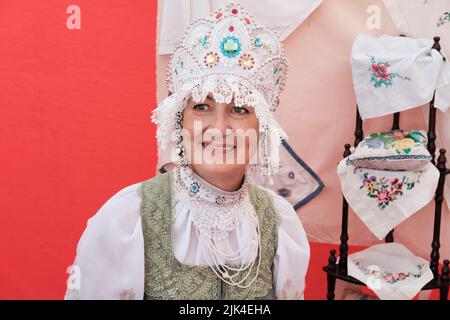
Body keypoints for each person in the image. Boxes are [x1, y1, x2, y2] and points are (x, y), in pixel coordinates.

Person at [65, 2, 309, 300]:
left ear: (260, 127)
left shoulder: (279, 221)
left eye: (239, 109)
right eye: (202, 107)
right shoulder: (129, 217)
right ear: (181, 120)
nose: (219, 128)